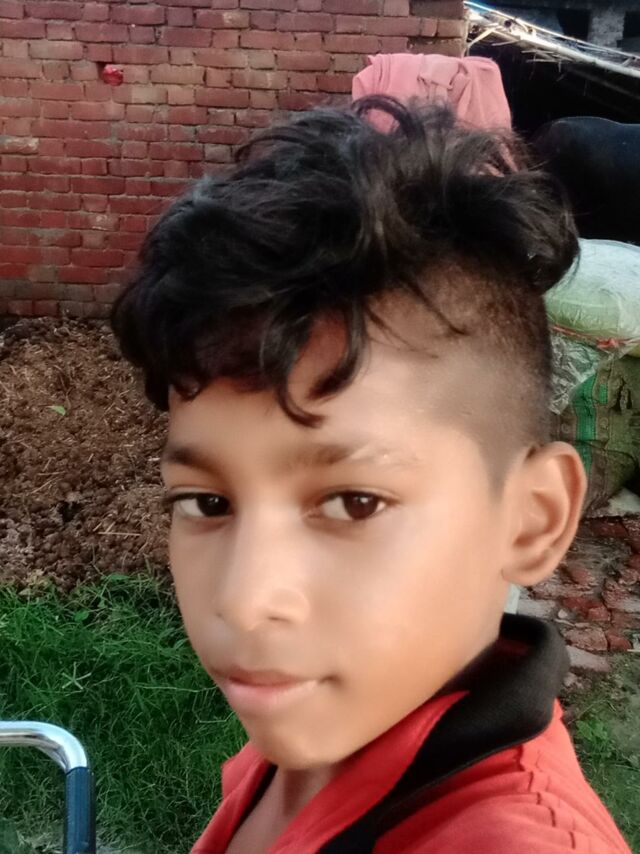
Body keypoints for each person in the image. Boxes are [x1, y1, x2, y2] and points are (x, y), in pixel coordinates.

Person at [111, 97, 632, 853]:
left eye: (354, 502)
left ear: (533, 518)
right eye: (208, 502)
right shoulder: (333, 725)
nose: (245, 601)